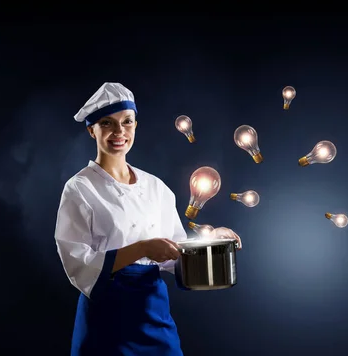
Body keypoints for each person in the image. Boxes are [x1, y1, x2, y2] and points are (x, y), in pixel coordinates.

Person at [54, 82, 242, 356]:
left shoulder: (156, 188)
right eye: (107, 123)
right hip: (107, 319)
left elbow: (175, 253)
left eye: (126, 122)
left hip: (153, 314)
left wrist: (213, 242)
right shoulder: (79, 188)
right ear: (91, 129)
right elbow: (76, 262)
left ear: (135, 126)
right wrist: (142, 249)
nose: (119, 132)